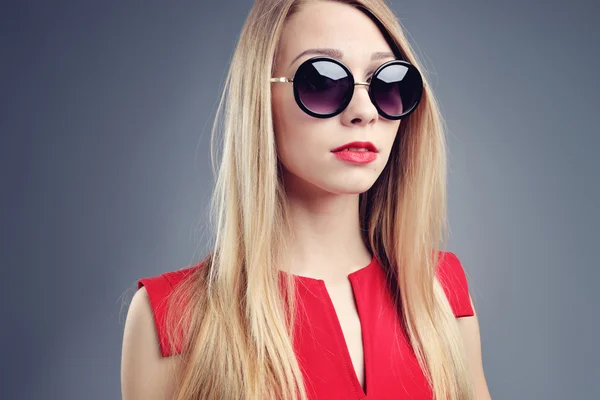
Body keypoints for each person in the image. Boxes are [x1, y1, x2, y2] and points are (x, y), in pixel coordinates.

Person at [121, 1, 492, 399]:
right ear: (259, 98)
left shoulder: (438, 293)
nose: (364, 111)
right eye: (322, 81)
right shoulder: (174, 320)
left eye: (386, 82)